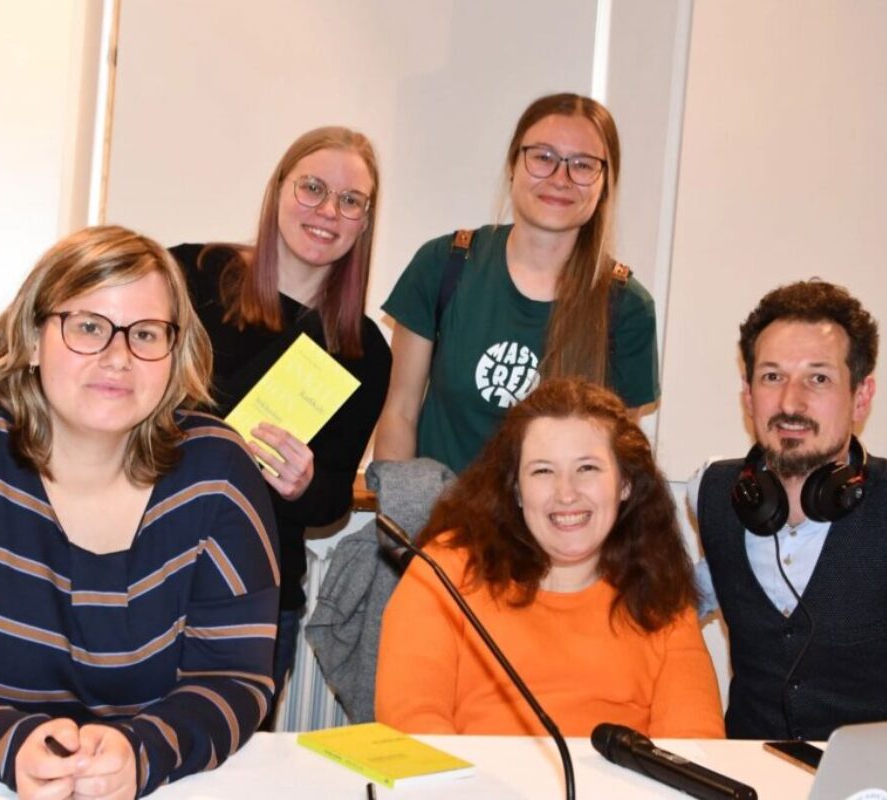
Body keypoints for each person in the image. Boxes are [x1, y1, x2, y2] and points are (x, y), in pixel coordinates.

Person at [0, 226, 279, 798]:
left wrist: (142, 753)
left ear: (175, 354)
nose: (118, 358)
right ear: (33, 339)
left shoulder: (218, 472)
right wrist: (10, 747)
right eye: (89, 326)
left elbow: (234, 678)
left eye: (146, 333)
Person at [170, 126, 391, 713]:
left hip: (258, 594)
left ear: (365, 221)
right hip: (149, 573)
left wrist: (303, 485)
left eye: (350, 200)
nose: (328, 211)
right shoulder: (190, 276)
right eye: (312, 188)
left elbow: (331, 502)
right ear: (278, 190)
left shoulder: (363, 349)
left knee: (238, 757)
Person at [376, 378, 724, 738]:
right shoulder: (445, 571)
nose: (566, 494)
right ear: (516, 489)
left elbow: (694, 747)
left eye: (587, 468)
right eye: (543, 471)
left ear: (625, 484)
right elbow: (411, 723)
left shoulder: (661, 597)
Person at [375, 92, 659, 474]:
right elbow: (400, 412)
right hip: (440, 512)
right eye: (542, 157)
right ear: (513, 165)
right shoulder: (443, 264)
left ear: (605, 184)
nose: (560, 179)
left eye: (582, 165)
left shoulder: (628, 307)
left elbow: (616, 460)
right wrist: (402, 506)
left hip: (559, 515)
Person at [692, 280, 887, 741]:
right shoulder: (713, 492)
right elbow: (679, 601)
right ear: (747, 394)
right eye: (772, 377)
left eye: (818, 378)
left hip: (878, 778)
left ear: (861, 396)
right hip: (745, 772)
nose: (790, 403)